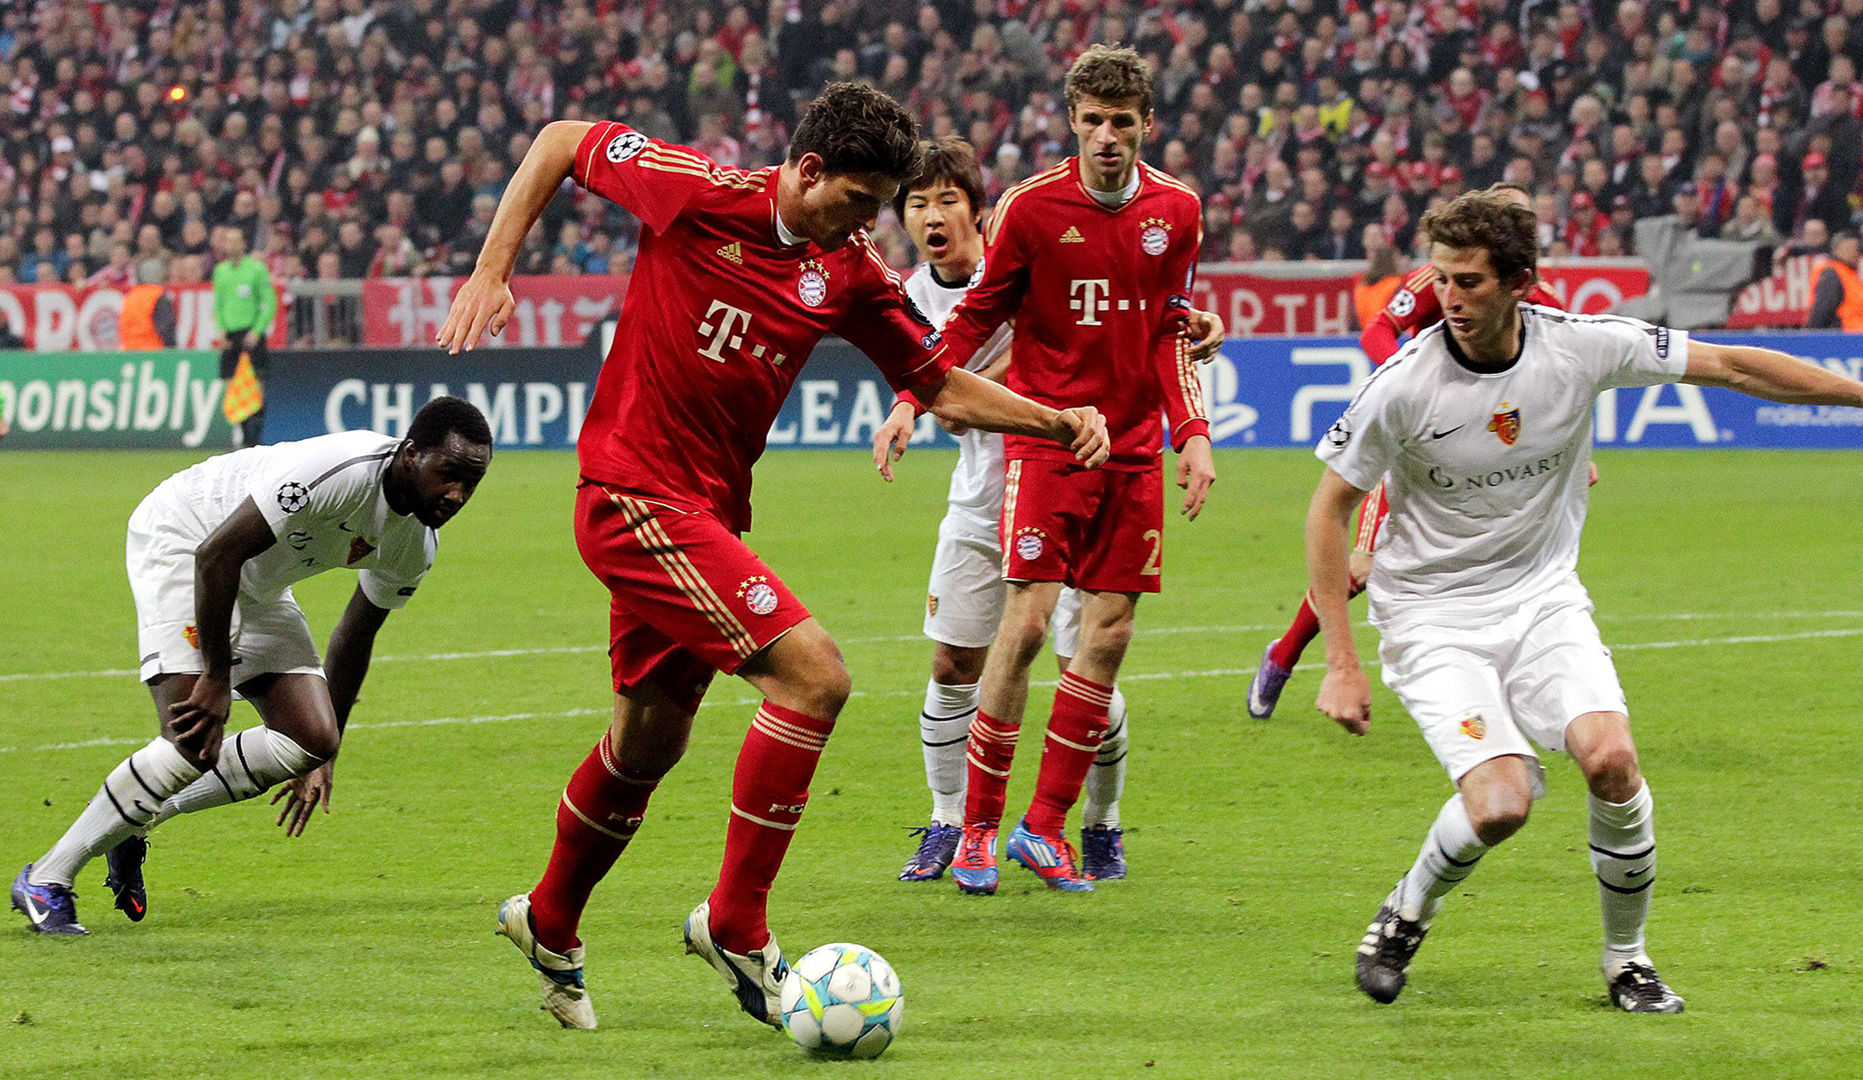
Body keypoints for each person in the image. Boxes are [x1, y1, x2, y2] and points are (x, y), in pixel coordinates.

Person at [436, 83, 1113, 1032]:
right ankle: (737, 924)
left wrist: (1053, 417)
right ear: (806, 171)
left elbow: (939, 385)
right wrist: (491, 269)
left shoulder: (849, 273)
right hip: (632, 498)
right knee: (815, 678)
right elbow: (558, 139)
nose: (870, 225)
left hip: (704, 516)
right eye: (858, 201)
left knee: (646, 744)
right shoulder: (696, 190)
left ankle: (549, 921)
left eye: (880, 207)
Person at [1304, 190, 1863, 1012]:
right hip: (1434, 616)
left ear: (1521, 281)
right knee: (1500, 806)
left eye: (1471, 282)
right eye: (1443, 279)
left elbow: (1733, 365)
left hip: (1543, 599)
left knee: (1611, 760)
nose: (1449, 298)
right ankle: (1405, 911)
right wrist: (1342, 664)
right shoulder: (1405, 384)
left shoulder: (1582, 348)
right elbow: (1327, 509)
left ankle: (1627, 959)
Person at [873, 45, 1213, 897]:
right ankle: (976, 830)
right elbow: (979, 314)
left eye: (1121, 122)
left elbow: (1171, 325)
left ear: (1145, 126)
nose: (1106, 137)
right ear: (1071, 122)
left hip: (1132, 446)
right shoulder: (1031, 209)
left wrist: (1193, 433)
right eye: (1092, 121)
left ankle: (1049, 829)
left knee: (1108, 638)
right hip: (1050, 436)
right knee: (1021, 629)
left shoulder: (1179, 211)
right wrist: (915, 396)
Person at [11, 398, 493, 935]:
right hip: (187, 537)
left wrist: (326, 751)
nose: (457, 495)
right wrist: (217, 676)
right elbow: (216, 554)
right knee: (191, 739)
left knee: (310, 736)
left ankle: (132, 822)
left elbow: (356, 635)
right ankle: (47, 879)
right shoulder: (344, 470)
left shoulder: (416, 546)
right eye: (448, 475)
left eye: (471, 485)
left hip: (256, 579)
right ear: (410, 454)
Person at [1250, 184, 1573, 718]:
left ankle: (1496, 680)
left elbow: (1561, 391)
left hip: (1490, 461)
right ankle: (1284, 656)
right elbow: (1380, 330)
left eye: (1526, 218)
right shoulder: (1440, 280)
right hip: (1417, 446)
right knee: (1362, 565)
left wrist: (1574, 455)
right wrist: (1410, 386)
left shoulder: (1543, 304)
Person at [211, 226, 279, 448]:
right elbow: (218, 304)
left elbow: (269, 303)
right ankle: (244, 439)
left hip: (251, 334)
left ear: (243, 244)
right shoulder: (220, 271)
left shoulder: (257, 269)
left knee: (256, 389)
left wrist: (257, 331)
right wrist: (221, 329)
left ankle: (255, 439)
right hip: (231, 336)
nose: (230, 246)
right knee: (232, 389)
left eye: (234, 241)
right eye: (227, 241)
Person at [1806, 231, 1863, 331]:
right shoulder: (1832, 274)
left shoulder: (1848, 273)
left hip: (1856, 337)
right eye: (1849, 249)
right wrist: (1813, 338)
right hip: (1843, 339)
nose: (1855, 253)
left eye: (1856, 249)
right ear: (1836, 250)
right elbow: (1823, 310)